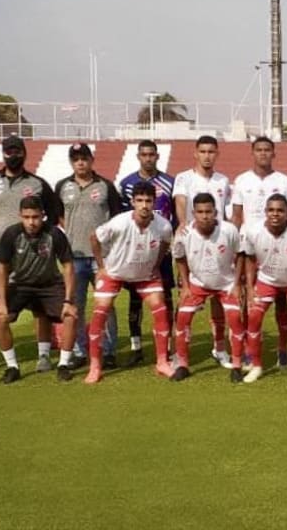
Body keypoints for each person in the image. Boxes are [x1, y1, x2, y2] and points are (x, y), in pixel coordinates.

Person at [0, 135, 59, 374]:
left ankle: (43, 355)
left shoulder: (38, 183)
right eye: (9, 151)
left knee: (39, 305)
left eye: (17, 151)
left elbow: (51, 214)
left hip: (30, 255)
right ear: (3, 154)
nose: (13, 155)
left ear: (24, 153)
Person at [83, 182, 174, 384]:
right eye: (139, 200)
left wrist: (156, 264)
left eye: (148, 201)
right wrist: (101, 267)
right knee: (101, 311)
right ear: (132, 202)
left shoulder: (163, 225)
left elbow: (166, 243)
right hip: (114, 273)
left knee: (160, 308)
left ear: (153, 202)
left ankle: (161, 362)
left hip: (144, 275)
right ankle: (95, 367)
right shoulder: (119, 223)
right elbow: (94, 237)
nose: (144, 205)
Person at [0, 196, 78, 384]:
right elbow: (2, 269)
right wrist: (2, 302)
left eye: (36, 217)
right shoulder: (11, 234)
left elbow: (68, 266)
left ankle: (63, 365)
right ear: (20, 216)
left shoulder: (55, 234)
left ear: (43, 216)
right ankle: (12, 367)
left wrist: (68, 301)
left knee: (70, 316)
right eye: (27, 217)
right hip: (20, 284)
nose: (31, 222)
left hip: (50, 284)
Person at [55, 143, 122, 370]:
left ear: (92, 160)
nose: (80, 162)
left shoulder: (105, 186)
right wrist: (73, 231)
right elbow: (59, 216)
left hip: (101, 257)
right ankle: (80, 351)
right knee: (77, 306)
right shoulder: (62, 186)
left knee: (106, 305)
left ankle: (110, 349)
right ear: (71, 162)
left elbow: (116, 218)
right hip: (74, 256)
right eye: (75, 159)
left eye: (84, 158)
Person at [232, 136, 287, 369]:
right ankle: (250, 350)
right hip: (250, 248)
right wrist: (235, 247)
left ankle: (282, 349)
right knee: (249, 299)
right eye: (259, 150)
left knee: (280, 299)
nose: (263, 153)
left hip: (277, 247)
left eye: (267, 150)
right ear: (252, 152)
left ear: (273, 153)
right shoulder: (241, 181)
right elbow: (237, 217)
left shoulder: (285, 181)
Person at [170, 135, 232, 367]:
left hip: (218, 244)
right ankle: (180, 351)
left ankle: (220, 348)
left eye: (211, 151)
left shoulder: (223, 181)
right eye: (203, 151)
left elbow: (225, 214)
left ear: (216, 154)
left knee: (219, 297)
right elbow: (181, 203)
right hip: (192, 244)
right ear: (195, 153)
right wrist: (183, 224)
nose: (207, 156)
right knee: (185, 297)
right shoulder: (184, 178)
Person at [241, 194, 287, 384]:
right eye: (271, 210)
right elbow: (249, 260)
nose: (275, 214)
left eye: (280, 210)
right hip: (267, 280)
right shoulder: (253, 231)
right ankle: (256, 366)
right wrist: (250, 287)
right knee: (254, 316)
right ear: (265, 212)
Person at [172, 193, 246, 382]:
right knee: (182, 317)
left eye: (208, 211)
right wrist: (186, 286)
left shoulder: (229, 230)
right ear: (193, 213)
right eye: (200, 212)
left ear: (216, 212)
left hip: (226, 283)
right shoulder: (184, 234)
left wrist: (237, 284)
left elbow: (240, 255)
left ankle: (237, 365)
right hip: (197, 284)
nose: (205, 216)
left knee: (235, 318)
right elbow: (179, 258)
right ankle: (182, 364)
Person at [118, 139, 178, 368]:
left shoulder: (169, 182)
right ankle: (136, 347)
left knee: (166, 297)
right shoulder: (126, 184)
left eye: (152, 154)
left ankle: (168, 346)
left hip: (161, 250)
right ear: (138, 156)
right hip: (136, 251)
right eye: (144, 154)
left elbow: (174, 215)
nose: (148, 158)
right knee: (135, 299)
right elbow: (122, 216)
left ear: (157, 156)